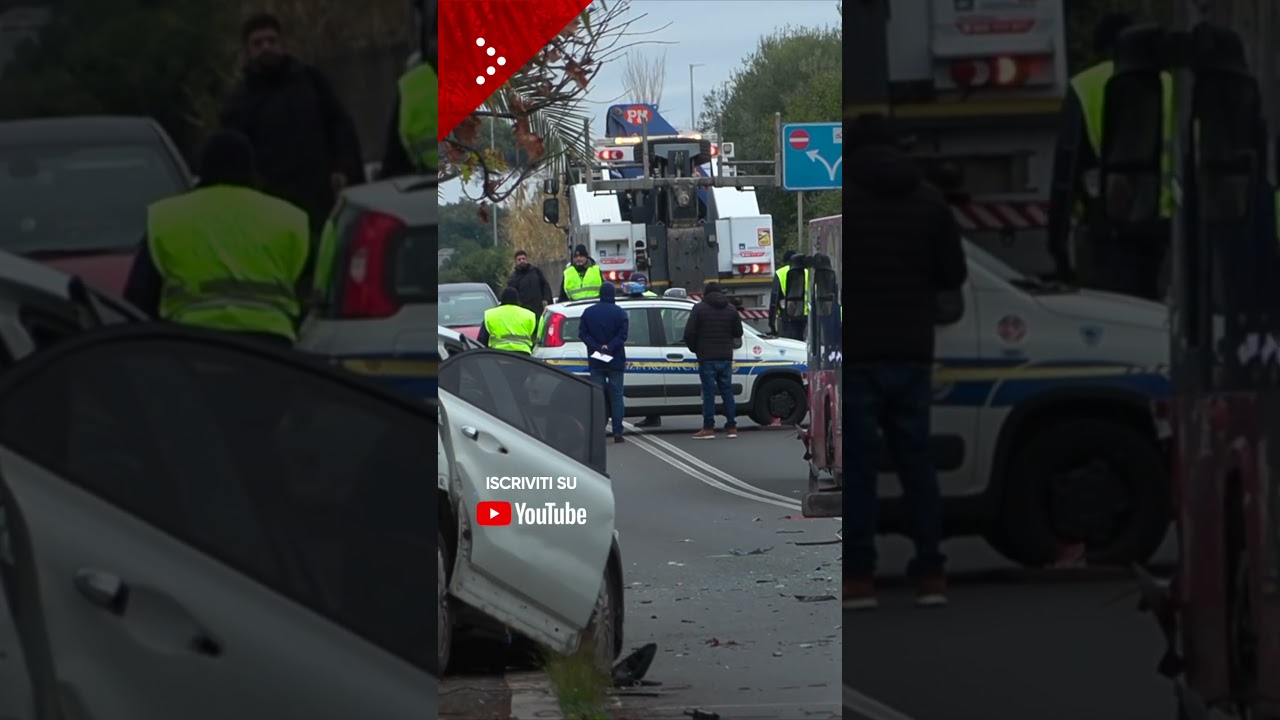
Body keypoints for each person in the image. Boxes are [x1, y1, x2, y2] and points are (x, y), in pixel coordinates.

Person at [843, 113, 968, 610]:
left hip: (858, 353)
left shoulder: (847, 199)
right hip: (914, 349)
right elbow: (953, 274)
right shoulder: (929, 201)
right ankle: (931, 574)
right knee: (917, 463)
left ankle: (857, 579)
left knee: (860, 467)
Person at [123, 130, 312, 348]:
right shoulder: (289, 218)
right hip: (270, 344)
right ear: (252, 169)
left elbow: (139, 298)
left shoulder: (167, 217)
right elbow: (311, 292)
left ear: (202, 169)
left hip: (192, 341)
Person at [1046, 12, 1171, 300]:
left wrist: (1058, 245)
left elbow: (1066, 173)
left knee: (1119, 316)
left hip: (1113, 230)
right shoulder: (1169, 82)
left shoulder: (1085, 86)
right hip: (1169, 228)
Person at [220, 12, 364, 233]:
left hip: (321, 202)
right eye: (258, 44)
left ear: (283, 43)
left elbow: (340, 125)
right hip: (273, 212)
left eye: (271, 40)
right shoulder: (240, 103)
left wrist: (343, 168)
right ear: (247, 51)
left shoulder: (310, 82)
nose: (266, 47)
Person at [682, 281, 744, 440]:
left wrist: (695, 349)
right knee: (727, 391)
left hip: (706, 357)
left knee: (709, 393)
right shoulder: (731, 309)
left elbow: (689, 333)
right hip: (725, 356)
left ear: (706, 294)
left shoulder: (699, 309)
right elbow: (738, 331)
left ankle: (709, 428)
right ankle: (732, 427)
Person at [578, 283, 629, 443]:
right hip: (615, 359)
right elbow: (623, 336)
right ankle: (618, 432)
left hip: (596, 359)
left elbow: (583, 334)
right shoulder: (620, 313)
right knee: (616, 397)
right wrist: (609, 347)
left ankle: (597, 431)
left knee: (597, 398)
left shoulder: (589, 312)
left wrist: (598, 347)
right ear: (613, 294)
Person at [477, 287, 538, 354]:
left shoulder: (491, 314)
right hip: (523, 355)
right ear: (517, 299)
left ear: (501, 299)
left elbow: (482, 339)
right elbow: (537, 337)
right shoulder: (529, 315)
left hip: (498, 354)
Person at [506, 250, 553, 318]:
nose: (522, 261)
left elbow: (545, 285)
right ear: (516, 262)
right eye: (519, 260)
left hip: (539, 309)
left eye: (523, 259)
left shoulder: (536, 272)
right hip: (523, 312)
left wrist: (546, 299)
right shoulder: (513, 278)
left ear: (527, 260)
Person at [774, 252, 809, 340]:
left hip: (789, 315)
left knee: (791, 342)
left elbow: (774, 298)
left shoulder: (780, 273)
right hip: (806, 315)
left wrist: (772, 322)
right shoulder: (806, 272)